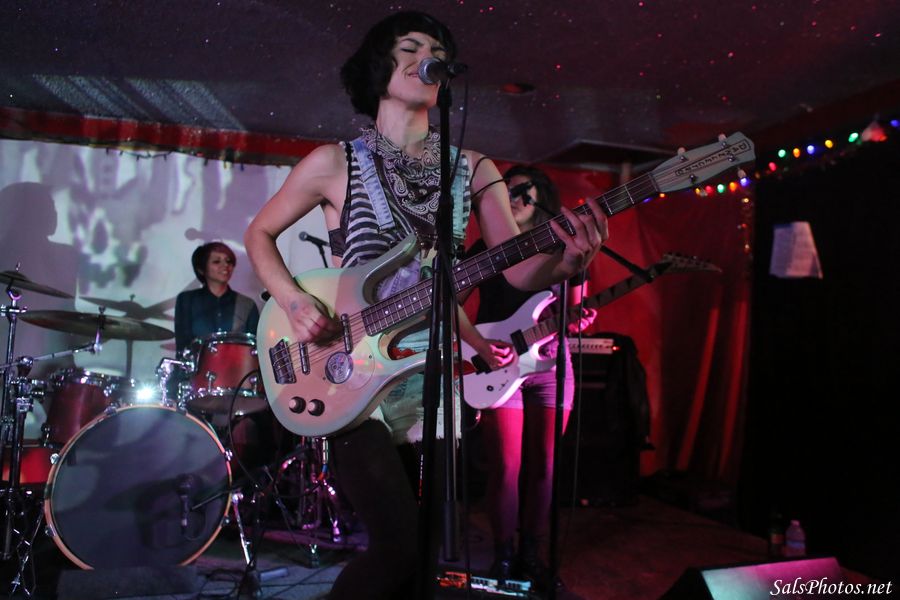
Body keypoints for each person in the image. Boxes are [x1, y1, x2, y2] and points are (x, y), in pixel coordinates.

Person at [243, 11, 608, 600]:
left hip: (429, 372)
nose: (426, 57)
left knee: (428, 554)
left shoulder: (473, 168)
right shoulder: (334, 162)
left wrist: (565, 265)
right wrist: (293, 300)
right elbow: (259, 234)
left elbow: (516, 267)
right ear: (378, 67)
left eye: (436, 50)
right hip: (348, 372)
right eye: (410, 47)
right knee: (397, 546)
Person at [464, 166, 598, 592]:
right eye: (508, 190)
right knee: (506, 466)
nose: (515, 196)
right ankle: (503, 556)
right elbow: (451, 304)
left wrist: (575, 319)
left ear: (543, 197)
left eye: (524, 189)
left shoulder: (562, 248)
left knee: (545, 466)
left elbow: (572, 309)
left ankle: (532, 556)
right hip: (499, 362)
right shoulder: (486, 248)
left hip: (551, 364)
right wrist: (478, 345)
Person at [174, 241, 260, 354]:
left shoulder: (246, 304)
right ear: (201, 269)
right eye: (216, 261)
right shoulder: (187, 300)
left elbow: (255, 348)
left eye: (228, 261)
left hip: (237, 364)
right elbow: (183, 347)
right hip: (198, 364)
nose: (225, 265)